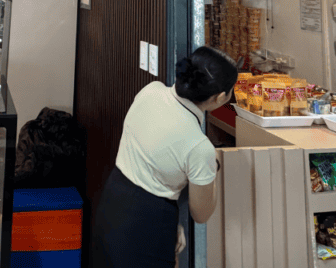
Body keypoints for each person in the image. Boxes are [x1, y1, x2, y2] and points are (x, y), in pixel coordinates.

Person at [93, 46, 238, 268]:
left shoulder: (151, 91)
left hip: (112, 201)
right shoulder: (199, 148)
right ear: (219, 97)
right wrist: (213, 165)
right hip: (149, 223)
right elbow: (201, 213)